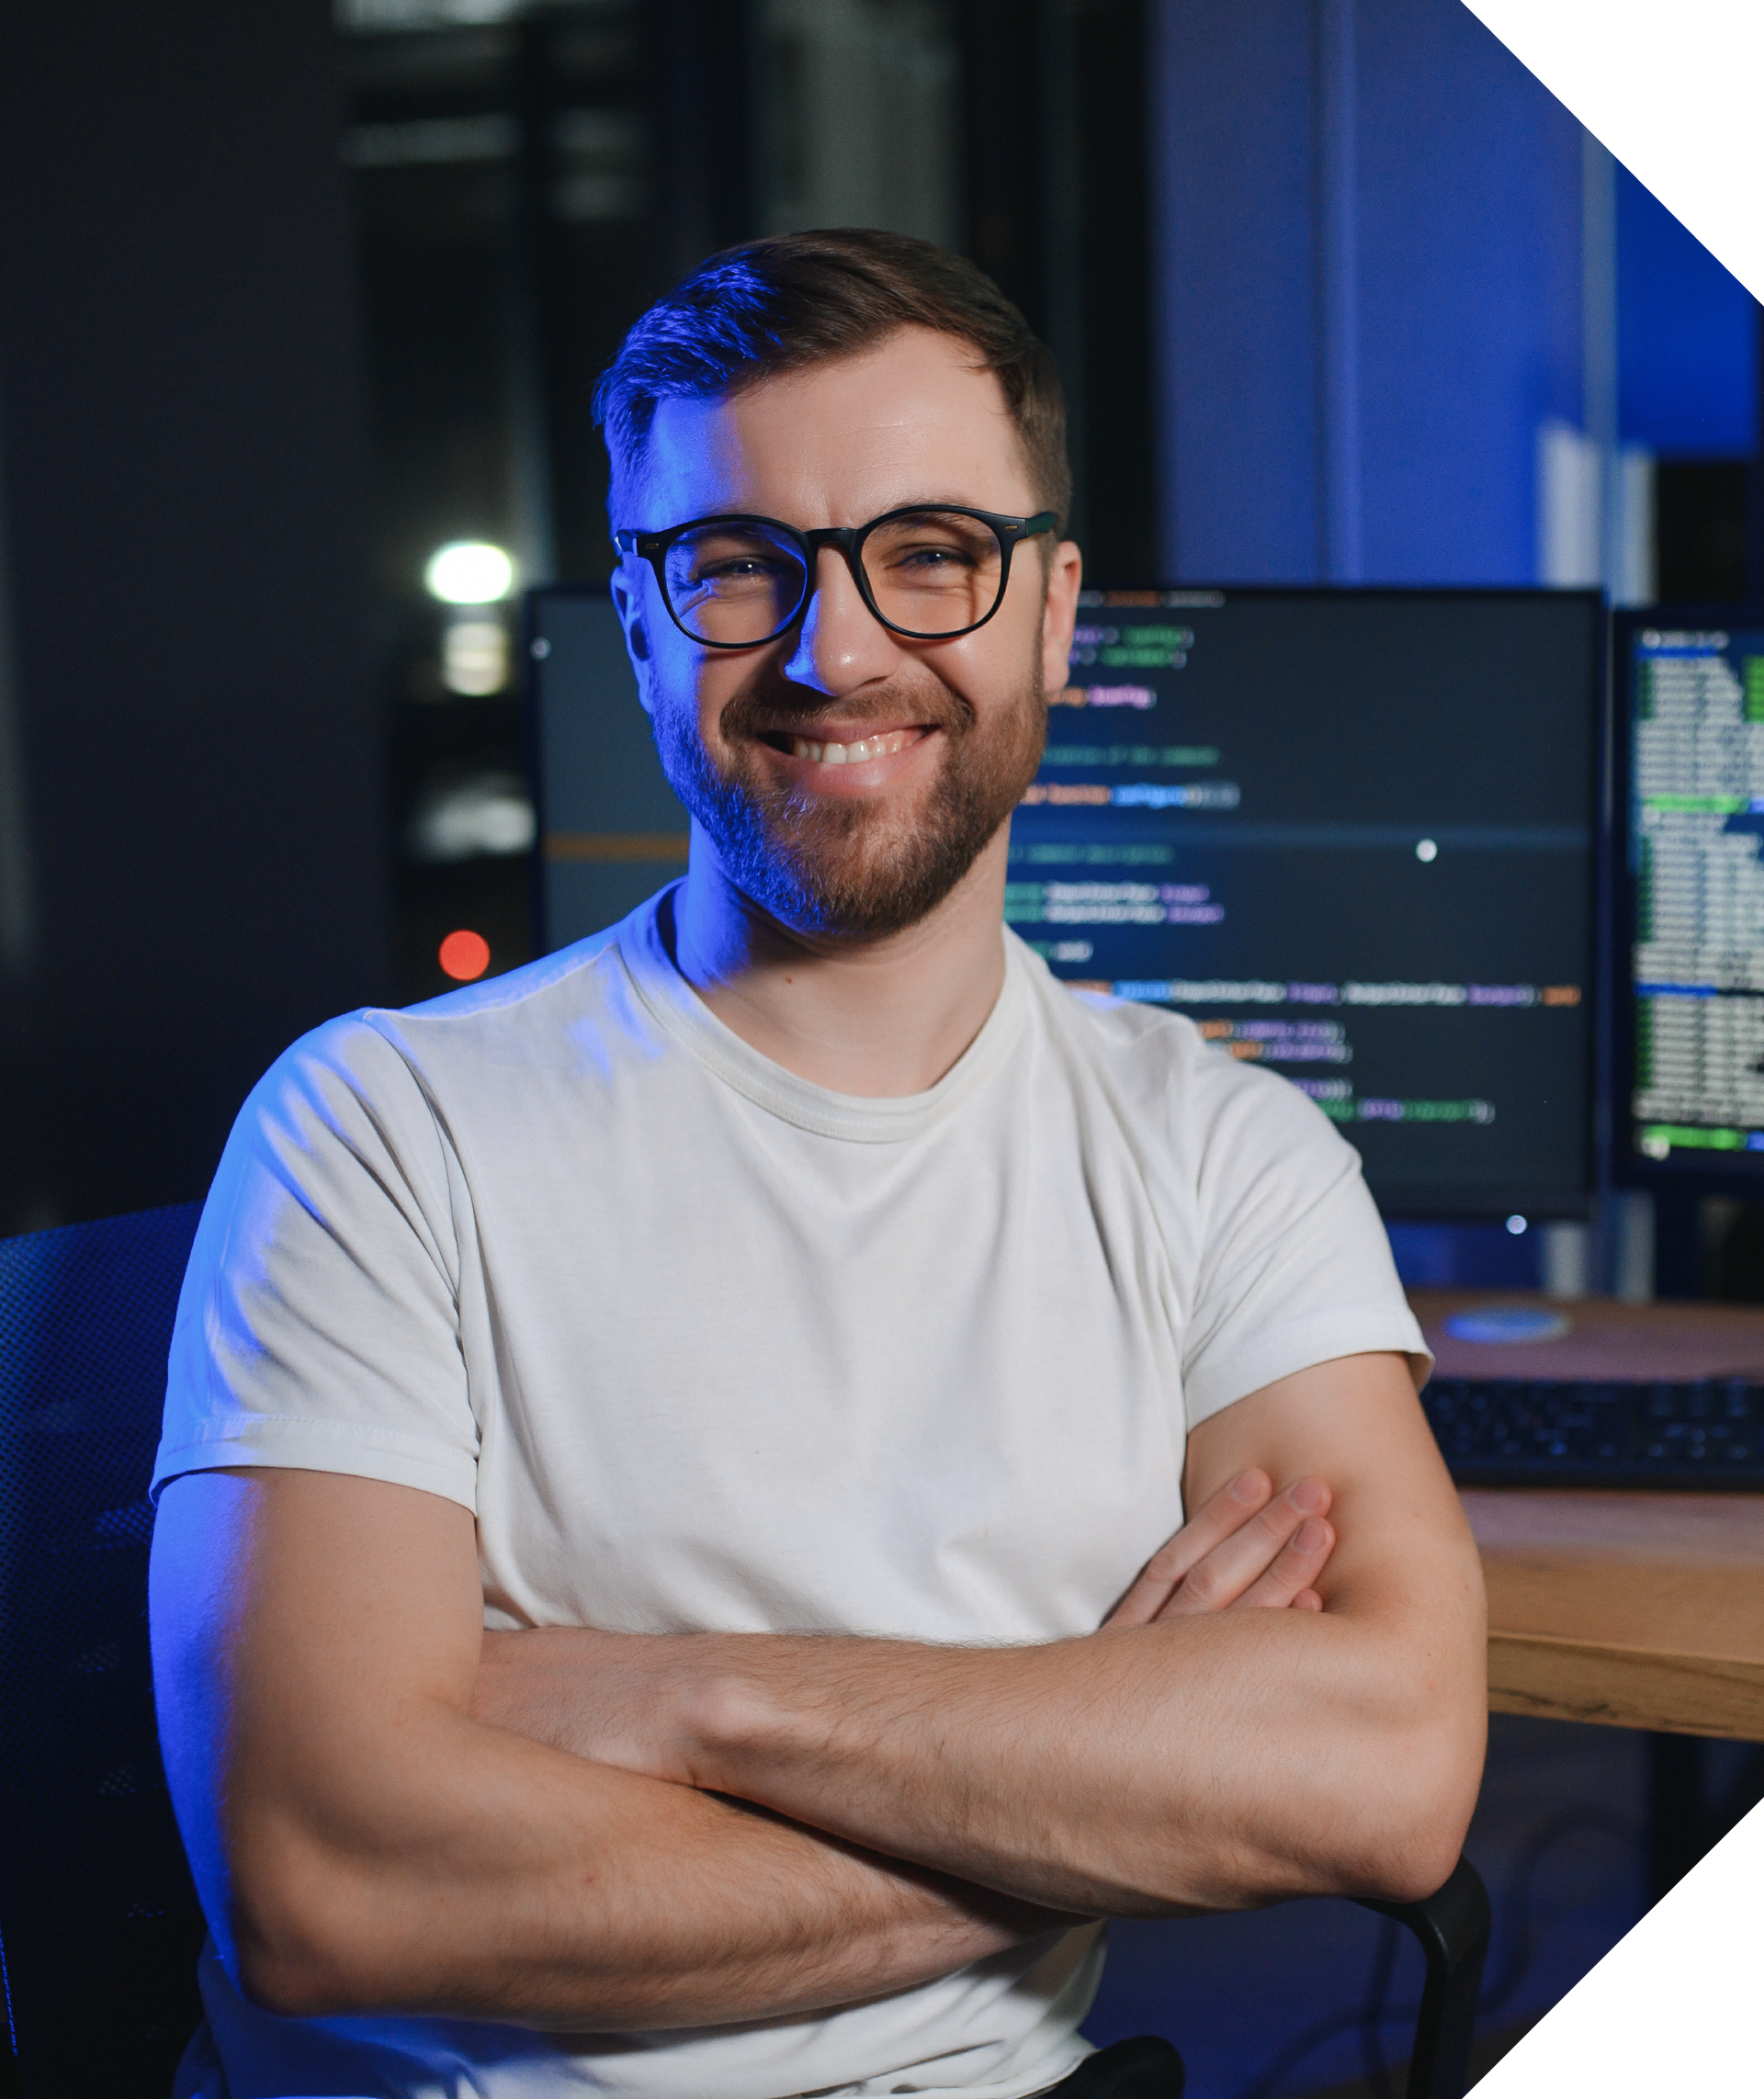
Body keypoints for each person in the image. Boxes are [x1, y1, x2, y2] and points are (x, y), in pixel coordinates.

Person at [149, 229, 1486, 2099]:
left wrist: (687, 1693)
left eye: (931, 552)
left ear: (1055, 610)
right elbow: (326, 1882)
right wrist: (1087, 1790)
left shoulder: (1225, 1154)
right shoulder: (377, 1126)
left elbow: (1391, 1772)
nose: (831, 646)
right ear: (635, 622)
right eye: (735, 564)